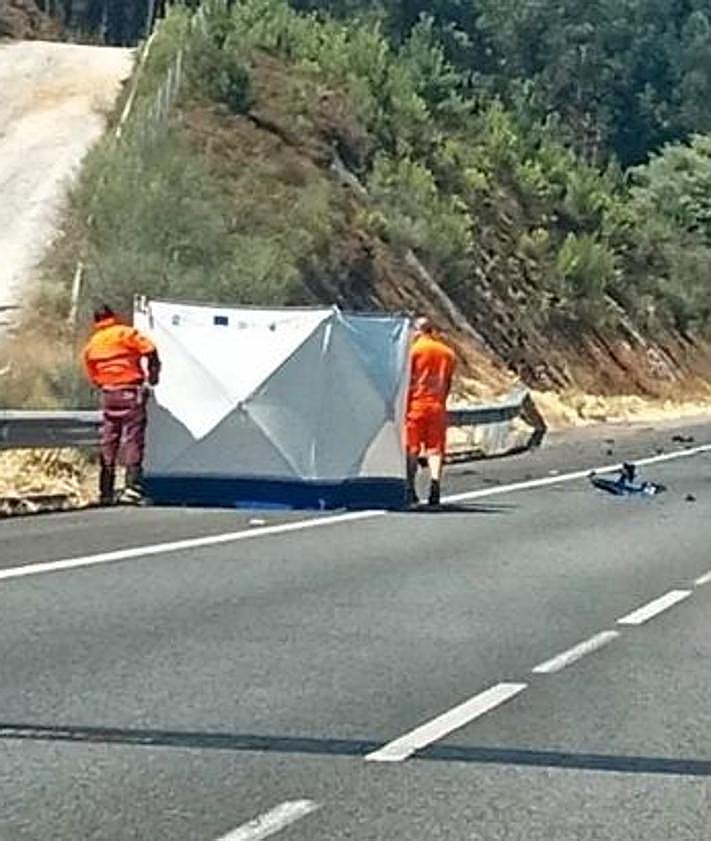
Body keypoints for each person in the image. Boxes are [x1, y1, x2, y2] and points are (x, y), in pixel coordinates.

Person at [82, 304, 161, 505]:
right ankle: (132, 489)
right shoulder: (125, 334)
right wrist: (153, 375)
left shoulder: (92, 344)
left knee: (110, 440)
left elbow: (91, 372)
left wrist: (104, 382)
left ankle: (106, 491)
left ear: (96, 321)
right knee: (133, 439)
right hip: (130, 391)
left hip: (108, 394)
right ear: (113, 316)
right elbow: (150, 349)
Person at [405, 317, 456, 507]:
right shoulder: (447, 354)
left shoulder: (413, 351)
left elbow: (406, 379)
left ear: (418, 330)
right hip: (437, 407)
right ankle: (435, 482)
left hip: (415, 406)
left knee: (412, 448)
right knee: (435, 449)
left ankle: (410, 488)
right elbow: (448, 383)